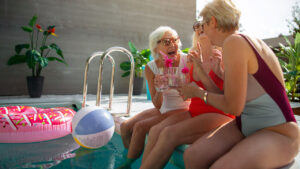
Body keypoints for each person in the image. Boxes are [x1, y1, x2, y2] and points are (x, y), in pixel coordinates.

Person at [180, 0, 300, 168]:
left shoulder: (235, 42)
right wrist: (200, 72)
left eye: (203, 24)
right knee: (193, 156)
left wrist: (198, 93)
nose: (202, 30)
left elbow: (233, 107)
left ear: (213, 21)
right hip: (244, 125)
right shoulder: (237, 42)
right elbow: (226, 98)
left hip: (279, 132)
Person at [139, 23, 234, 169]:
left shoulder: (226, 54)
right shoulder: (193, 54)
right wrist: (165, 84)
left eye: (204, 25)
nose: (199, 28)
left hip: (217, 112)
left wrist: (220, 72)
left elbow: (231, 97)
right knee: (155, 131)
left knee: (169, 134)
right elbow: (188, 89)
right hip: (194, 111)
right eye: (197, 26)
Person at [118, 26, 190, 167]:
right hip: (163, 108)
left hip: (183, 108)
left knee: (140, 127)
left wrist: (177, 84)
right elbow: (157, 105)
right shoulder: (151, 68)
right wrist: (160, 90)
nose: (173, 44)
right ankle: (129, 158)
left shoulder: (188, 61)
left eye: (175, 40)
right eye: (167, 42)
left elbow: (192, 97)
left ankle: (128, 164)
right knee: (125, 126)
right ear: (156, 47)